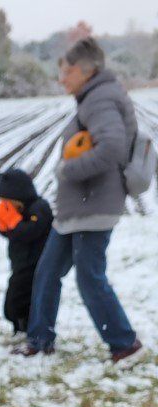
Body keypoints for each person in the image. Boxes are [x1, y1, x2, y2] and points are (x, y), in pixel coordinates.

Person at [16, 35, 143, 364]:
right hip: (80, 208)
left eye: (67, 71)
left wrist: (67, 169)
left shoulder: (99, 100)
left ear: (87, 70)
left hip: (93, 205)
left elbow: (112, 147)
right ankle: (39, 339)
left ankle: (124, 343)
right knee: (47, 271)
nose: (62, 79)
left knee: (89, 276)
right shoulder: (94, 96)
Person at [0, 168, 52, 336]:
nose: (5, 206)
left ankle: (27, 329)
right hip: (20, 264)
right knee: (13, 301)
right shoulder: (19, 211)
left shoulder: (39, 208)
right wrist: (3, 225)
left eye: (7, 202)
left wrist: (12, 223)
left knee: (21, 301)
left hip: (34, 265)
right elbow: (13, 234)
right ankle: (19, 327)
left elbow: (30, 232)